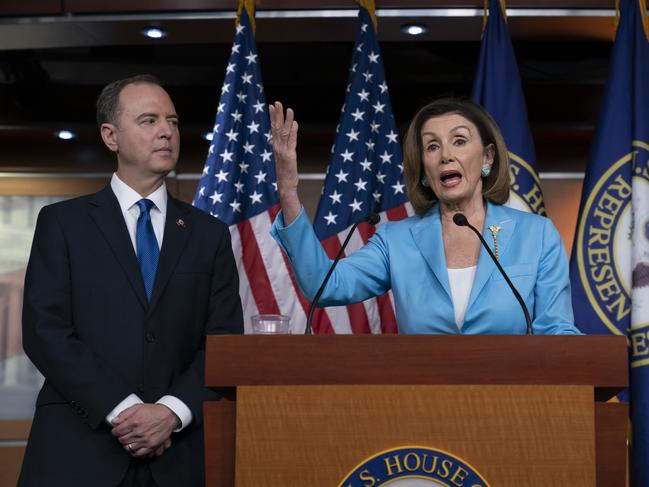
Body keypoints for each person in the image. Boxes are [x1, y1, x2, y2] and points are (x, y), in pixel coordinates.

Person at [19, 75, 243, 487]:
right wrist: (123, 410)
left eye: (172, 121)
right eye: (149, 120)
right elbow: (44, 331)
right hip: (79, 450)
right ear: (111, 136)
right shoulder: (62, 223)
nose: (166, 132)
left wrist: (171, 411)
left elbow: (224, 338)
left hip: (179, 455)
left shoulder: (209, 233)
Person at [268, 97, 580, 335]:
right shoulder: (397, 240)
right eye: (432, 146)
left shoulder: (536, 236)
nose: (446, 154)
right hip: (421, 407)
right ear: (425, 171)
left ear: (486, 157)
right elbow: (325, 285)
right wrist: (289, 192)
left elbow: (558, 331)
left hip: (514, 407)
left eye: (459, 141)